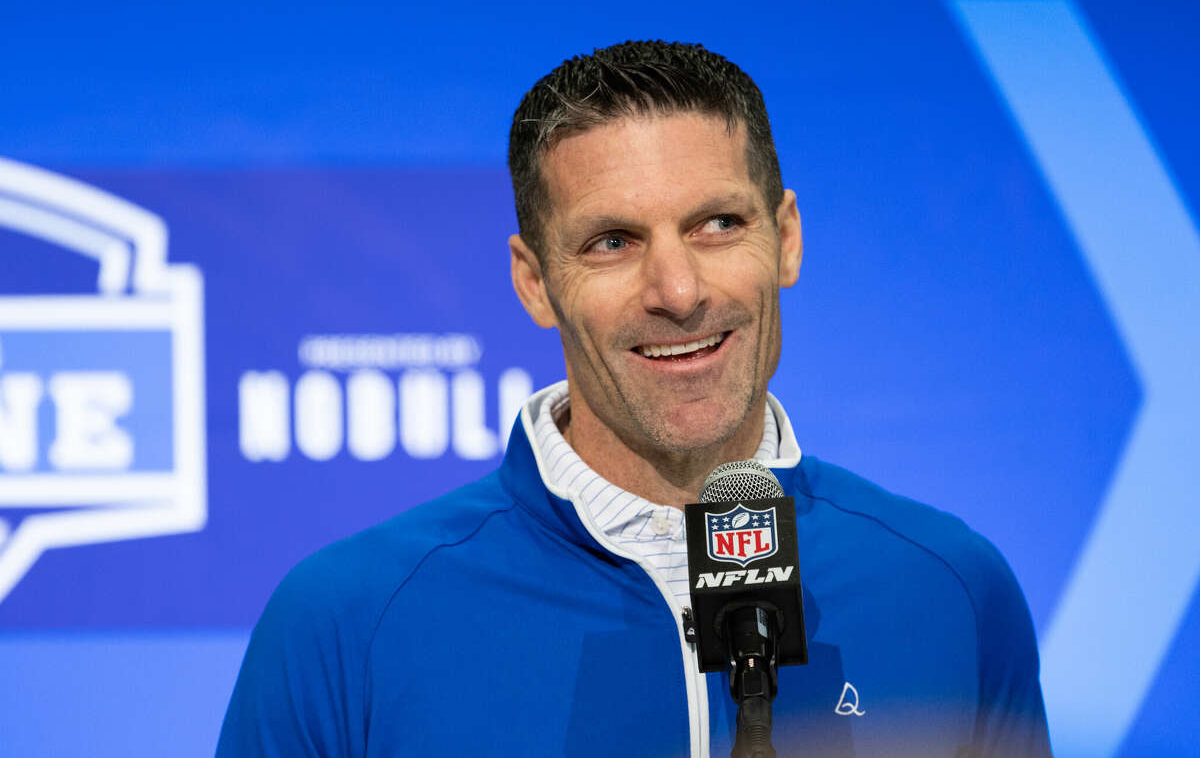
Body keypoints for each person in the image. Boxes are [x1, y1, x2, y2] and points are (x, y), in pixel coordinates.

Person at [217, 41, 1052, 757]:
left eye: (718, 224)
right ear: (536, 282)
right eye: (612, 242)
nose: (679, 291)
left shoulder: (951, 589)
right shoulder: (344, 622)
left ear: (786, 237)